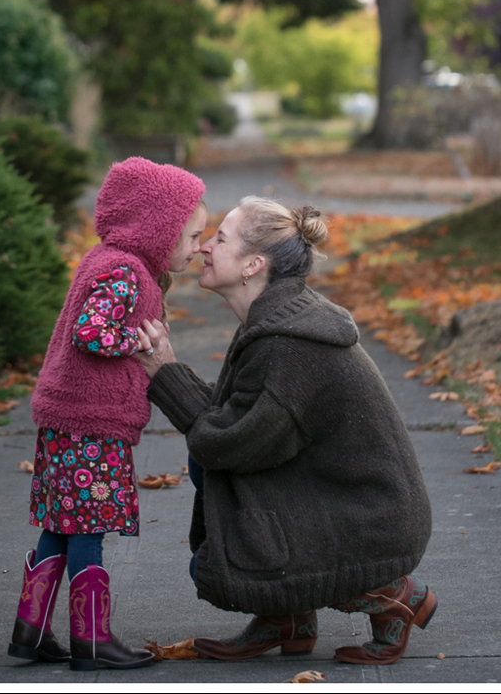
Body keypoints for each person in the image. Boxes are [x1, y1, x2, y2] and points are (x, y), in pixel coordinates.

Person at [135, 196, 435, 666]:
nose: (205, 247)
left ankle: (393, 596)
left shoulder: (287, 343)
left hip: (372, 521)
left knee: (224, 556)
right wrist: (169, 370)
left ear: (253, 265)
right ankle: (286, 620)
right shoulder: (276, 321)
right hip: (359, 505)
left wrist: (164, 372)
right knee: (218, 491)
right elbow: (235, 416)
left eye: (220, 239)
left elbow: (226, 442)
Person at [8, 156, 207, 672]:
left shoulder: (111, 261)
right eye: (192, 236)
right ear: (159, 229)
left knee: (61, 524)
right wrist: (140, 344)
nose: (198, 247)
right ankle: (91, 639)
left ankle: (30, 630)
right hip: (90, 423)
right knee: (88, 527)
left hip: (68, 417)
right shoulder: (125, 272)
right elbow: (91, 333)